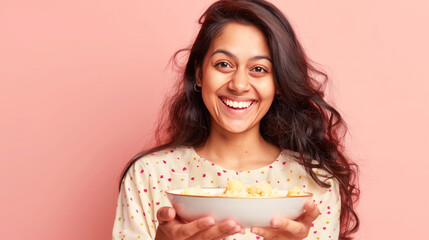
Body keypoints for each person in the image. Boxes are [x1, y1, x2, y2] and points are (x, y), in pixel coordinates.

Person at [112, 0, 359, 239]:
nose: (239, 84)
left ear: (279, 83)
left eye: (259, 69)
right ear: (199, 73)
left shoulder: (315, 183)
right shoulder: (149, 175)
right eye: (223, 64)